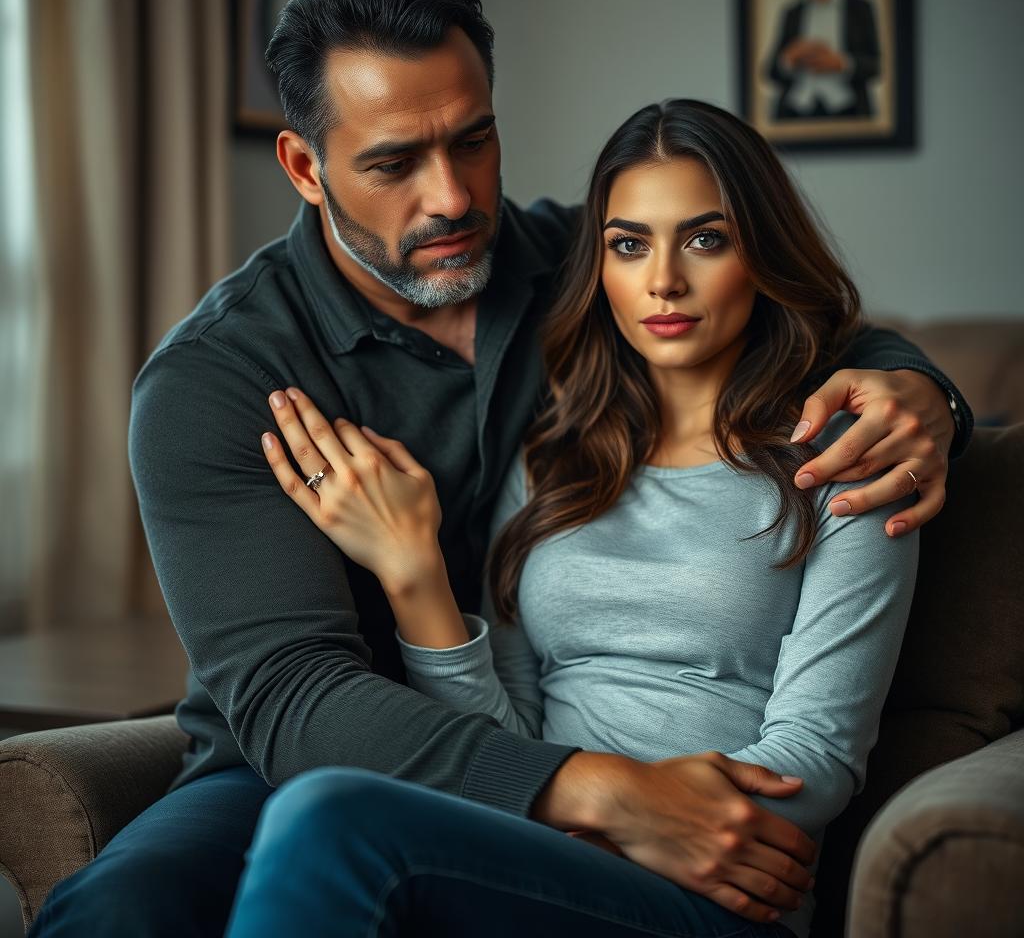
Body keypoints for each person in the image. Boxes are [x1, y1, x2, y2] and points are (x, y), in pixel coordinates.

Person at [28, 0, 969, 938]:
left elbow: (794, 319)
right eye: (395, 164)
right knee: (120, 909)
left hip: (536, 780)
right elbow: (292, 696)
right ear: (307, 170)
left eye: (472, 141)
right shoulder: (214, 380)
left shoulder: (587, 269)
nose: (451, 196)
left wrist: (922, 392)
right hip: (307, 755)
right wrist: (601, 793)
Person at [222, 99, 919, 938]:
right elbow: (503, 734)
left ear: (761, 255)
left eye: (705, 238)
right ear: (601, 268)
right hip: (538, 857)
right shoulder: (553, 459)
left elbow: (819, 759)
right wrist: (416, 577)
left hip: (723, 889)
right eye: (630, 244)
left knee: (329, 817)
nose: (663, 279)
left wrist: (639, 826)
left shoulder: (846, 461)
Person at [764, 0, 881, 119]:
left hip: (848, 111)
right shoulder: (792, 12)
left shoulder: (860, 7)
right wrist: (789, 58)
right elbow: (770, 72)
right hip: (797, 112)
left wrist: (842, 63)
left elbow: (876, 65)